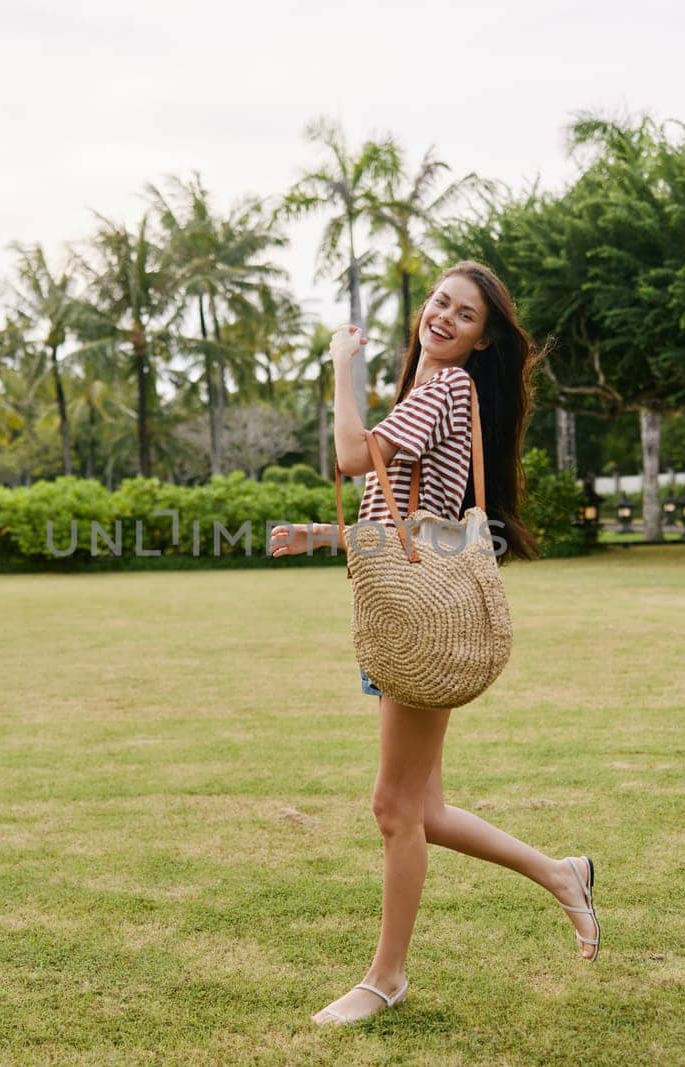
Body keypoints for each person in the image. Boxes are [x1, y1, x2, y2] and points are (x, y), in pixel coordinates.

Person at [270, 261, 601, 1026]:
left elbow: (356, 457)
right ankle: (563, 873)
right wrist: (322, 533)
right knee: (425, 807)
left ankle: (386, 977)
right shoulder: (436, 393)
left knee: (394, 807)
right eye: (441, 303)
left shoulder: (443, 388)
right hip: (407, 614)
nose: (445, 318)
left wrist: (340, 365)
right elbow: (414, 516)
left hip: (419, 624)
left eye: (465, 315)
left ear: (483, 339)